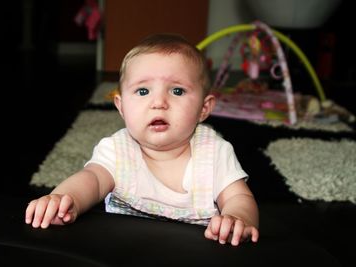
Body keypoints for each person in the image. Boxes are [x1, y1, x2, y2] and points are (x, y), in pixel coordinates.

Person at [25, 33, 259, 246]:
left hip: (194, 251)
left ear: (203, 108)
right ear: (121, 106)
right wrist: (64, 199)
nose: (158, 102)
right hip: (124, 248)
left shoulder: (214, 151)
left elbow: (238, 196)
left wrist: (238, 217)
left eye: (177, 91)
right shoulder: (118, 149)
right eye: (143, 91)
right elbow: (92, 179)